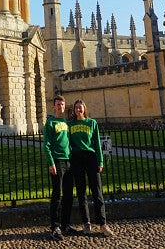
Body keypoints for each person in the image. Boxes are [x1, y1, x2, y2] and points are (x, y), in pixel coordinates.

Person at [68, 99, 114, 237]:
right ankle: (86, 223)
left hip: (91, 158)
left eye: (80, 107)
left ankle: (102, 224)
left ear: (84, 109)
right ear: (74, 110)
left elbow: (97, 144)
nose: (78, 110)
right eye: (76, 108)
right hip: (77, 158)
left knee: (97, 192)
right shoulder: (70, 125)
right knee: (81, 193)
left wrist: (100, 161)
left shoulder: (92, 123)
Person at [43, 95, 76, 240]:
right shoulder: (50, 123)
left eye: (62, 104)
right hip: (57, 161)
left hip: (69, 161)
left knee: (68, 195)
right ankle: (55, 227)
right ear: (54, 106)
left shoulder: (66, 123)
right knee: (57, 195)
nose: (60, 107)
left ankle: (65, 225)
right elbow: (47, 145)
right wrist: (51, 163)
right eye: (58, 104)